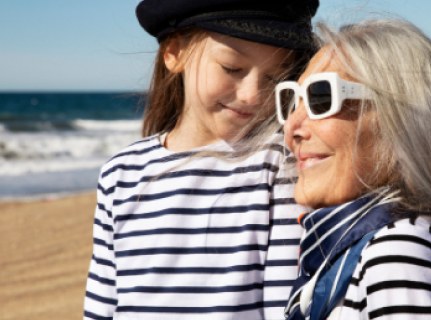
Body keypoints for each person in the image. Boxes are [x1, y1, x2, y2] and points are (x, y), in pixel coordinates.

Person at [84, 1, 319, 319]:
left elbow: (283, 309)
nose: (253, 94)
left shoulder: (279, 167)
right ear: (174, 53)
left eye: (273, 79)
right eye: (232, 68)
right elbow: (100, 309)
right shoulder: (120, 174)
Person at [277, 19, 431, 320]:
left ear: (401, 121)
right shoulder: (363, 253)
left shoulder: (397, 255)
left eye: (320, 98)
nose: (291, 129)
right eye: (291, 101)